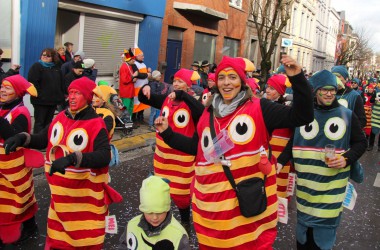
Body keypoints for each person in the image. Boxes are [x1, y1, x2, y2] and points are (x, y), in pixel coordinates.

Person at [154, 55, 314, 249]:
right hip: (211, 209)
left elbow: (303, 115)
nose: (226, 83)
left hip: (244, 206)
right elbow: (196, 149)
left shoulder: (259, 108)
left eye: (232, 77)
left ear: (242, 80)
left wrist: (297, 77)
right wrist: (167, 133)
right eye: (222, 77)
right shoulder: (208, 113)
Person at [4, 77, 122, 249]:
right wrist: (23, 138)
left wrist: (73, 159)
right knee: (59, 240)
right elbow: (44, 138)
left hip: (84, 199)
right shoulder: (60, 117)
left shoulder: (96, 124)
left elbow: (104, 156)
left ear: (88, 97)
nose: (72, 97)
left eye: (78, 93)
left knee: (84, 239)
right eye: (71, 93)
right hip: (60, 198)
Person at [279, 70, 367, 249]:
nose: (329, 93)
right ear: (315, 91)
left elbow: (361, 143)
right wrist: (279, 162)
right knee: (303, 236)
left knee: (322, 238)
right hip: (306, 189)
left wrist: (346, 158)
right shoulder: (304, 114)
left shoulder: (346, 115)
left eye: (333, 90)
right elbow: (293, 141)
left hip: (331, 189)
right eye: (325, 90)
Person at [138, 68, 204, 231]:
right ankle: (159, 220)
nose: (176, 84)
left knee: (181, 195)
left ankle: (185, 221)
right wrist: (144, 88)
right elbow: (144, 98)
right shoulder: (166, 99)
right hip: (163, 158)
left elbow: (201, 113)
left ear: (188, 85)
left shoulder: (192, 103)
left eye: (180, 81)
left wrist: (183, 96)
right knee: (161, 190)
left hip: (182, 159)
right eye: (174, 81)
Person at [0, 75, 39, 245]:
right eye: (2, 86)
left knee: (19, 198)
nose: (2, 90)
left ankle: (30, 227)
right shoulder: (3, 107)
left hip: (14, 166)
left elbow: (13, 137)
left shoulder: (21, 113)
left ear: (17, 93)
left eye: (7, 88)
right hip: (2, 165)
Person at [118, 175, 190, 250]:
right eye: (149, 212)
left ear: (167, 209)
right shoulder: (132, 226)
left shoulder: (178, 234)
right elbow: (123, 246)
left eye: (159, 212)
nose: (154, 217)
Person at [265, 74, 294, 199]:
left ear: (280, 92)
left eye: (272, 88)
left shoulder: (286, 110)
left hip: (281, 157)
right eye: (267, 87)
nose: (267, 90)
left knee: (278, 191)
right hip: (266, 155)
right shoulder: (262, 105)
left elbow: (294, 136)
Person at [28, 48, 65, 133]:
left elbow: (61, 83)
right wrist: (40, 96)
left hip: (53, 101)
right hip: (40, 101)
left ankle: (45, 140)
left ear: (53, 57)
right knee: (39, 122)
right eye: (43, 55)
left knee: (49, 122)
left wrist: (61, 95)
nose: (45, 57)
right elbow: (32, 83)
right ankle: (37, 141)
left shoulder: (56, 68)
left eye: (48, 56)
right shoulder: (36, 66)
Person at [119, 48, 138, 127]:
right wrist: (133, 77)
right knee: (126, 110)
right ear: (129, 59)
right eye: (133, 59)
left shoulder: (129, 66)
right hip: (126, 92)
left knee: (130, 109)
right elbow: (124, 80)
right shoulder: (124, 67)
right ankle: (126, 124)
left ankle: (129, 123)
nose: (134, 61)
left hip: (130, 92)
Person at [132, 47, 151, 125]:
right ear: (136, 56)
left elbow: (143, 73)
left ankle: (140, 117)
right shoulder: (134, 64)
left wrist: (148, 71)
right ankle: (134, 118)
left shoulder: (143, 64)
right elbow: (137, 75)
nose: (143, 57)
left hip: (143, 87)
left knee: (142, 102)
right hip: (137, 88)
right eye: (141, 55)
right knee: (136, 103)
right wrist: (147, 74)